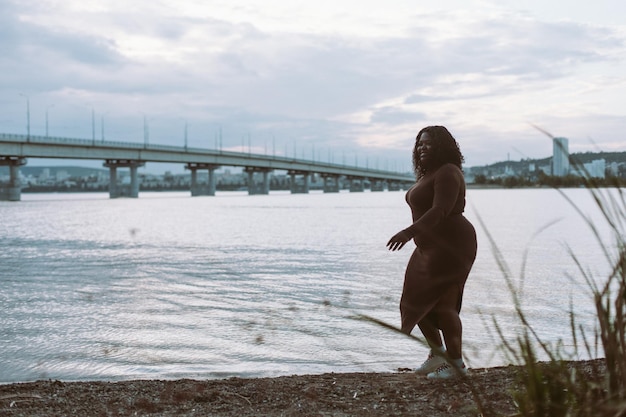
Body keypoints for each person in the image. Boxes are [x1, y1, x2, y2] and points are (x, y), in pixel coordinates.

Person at [386, 125, 477, 379]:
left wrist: (407, 233)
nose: (422, 148)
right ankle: (437, 354)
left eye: (428, 143)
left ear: (443, 146)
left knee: (445, 304)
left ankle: (457, 364)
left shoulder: (448, 172)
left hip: (452, 244)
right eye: (419, 144)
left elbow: (440, 211)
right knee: (414, 302)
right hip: (427, 247)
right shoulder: (428, 174)